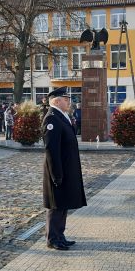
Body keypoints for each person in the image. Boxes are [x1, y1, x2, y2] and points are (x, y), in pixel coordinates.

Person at [42, 86, 87, 251]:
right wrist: (56, 174)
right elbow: (51, 150)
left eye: (69, 99)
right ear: (56, 101)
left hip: (66, 168)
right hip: (57, 170)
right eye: (66, 99)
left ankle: (60, 236)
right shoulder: (51, 119)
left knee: (63, 204)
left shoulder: (62, 116)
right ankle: (52, 239)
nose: (69, 102)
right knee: (56, 205)